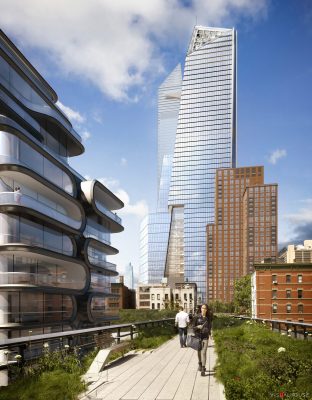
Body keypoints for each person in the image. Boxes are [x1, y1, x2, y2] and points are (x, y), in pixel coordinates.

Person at [192, 303, 213, 376]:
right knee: (199, 352)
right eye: (202, 308)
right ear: (200, 309)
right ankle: (200, 363)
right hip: (198, 336)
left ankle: (203, 369)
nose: (203, 309)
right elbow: (193, 328)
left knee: (203, 352)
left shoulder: (208, 318)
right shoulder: (196, 317)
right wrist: (198, 327)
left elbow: (210, 326)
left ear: (207, 310)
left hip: (205, 337)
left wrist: (210, 334)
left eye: (205, 308)